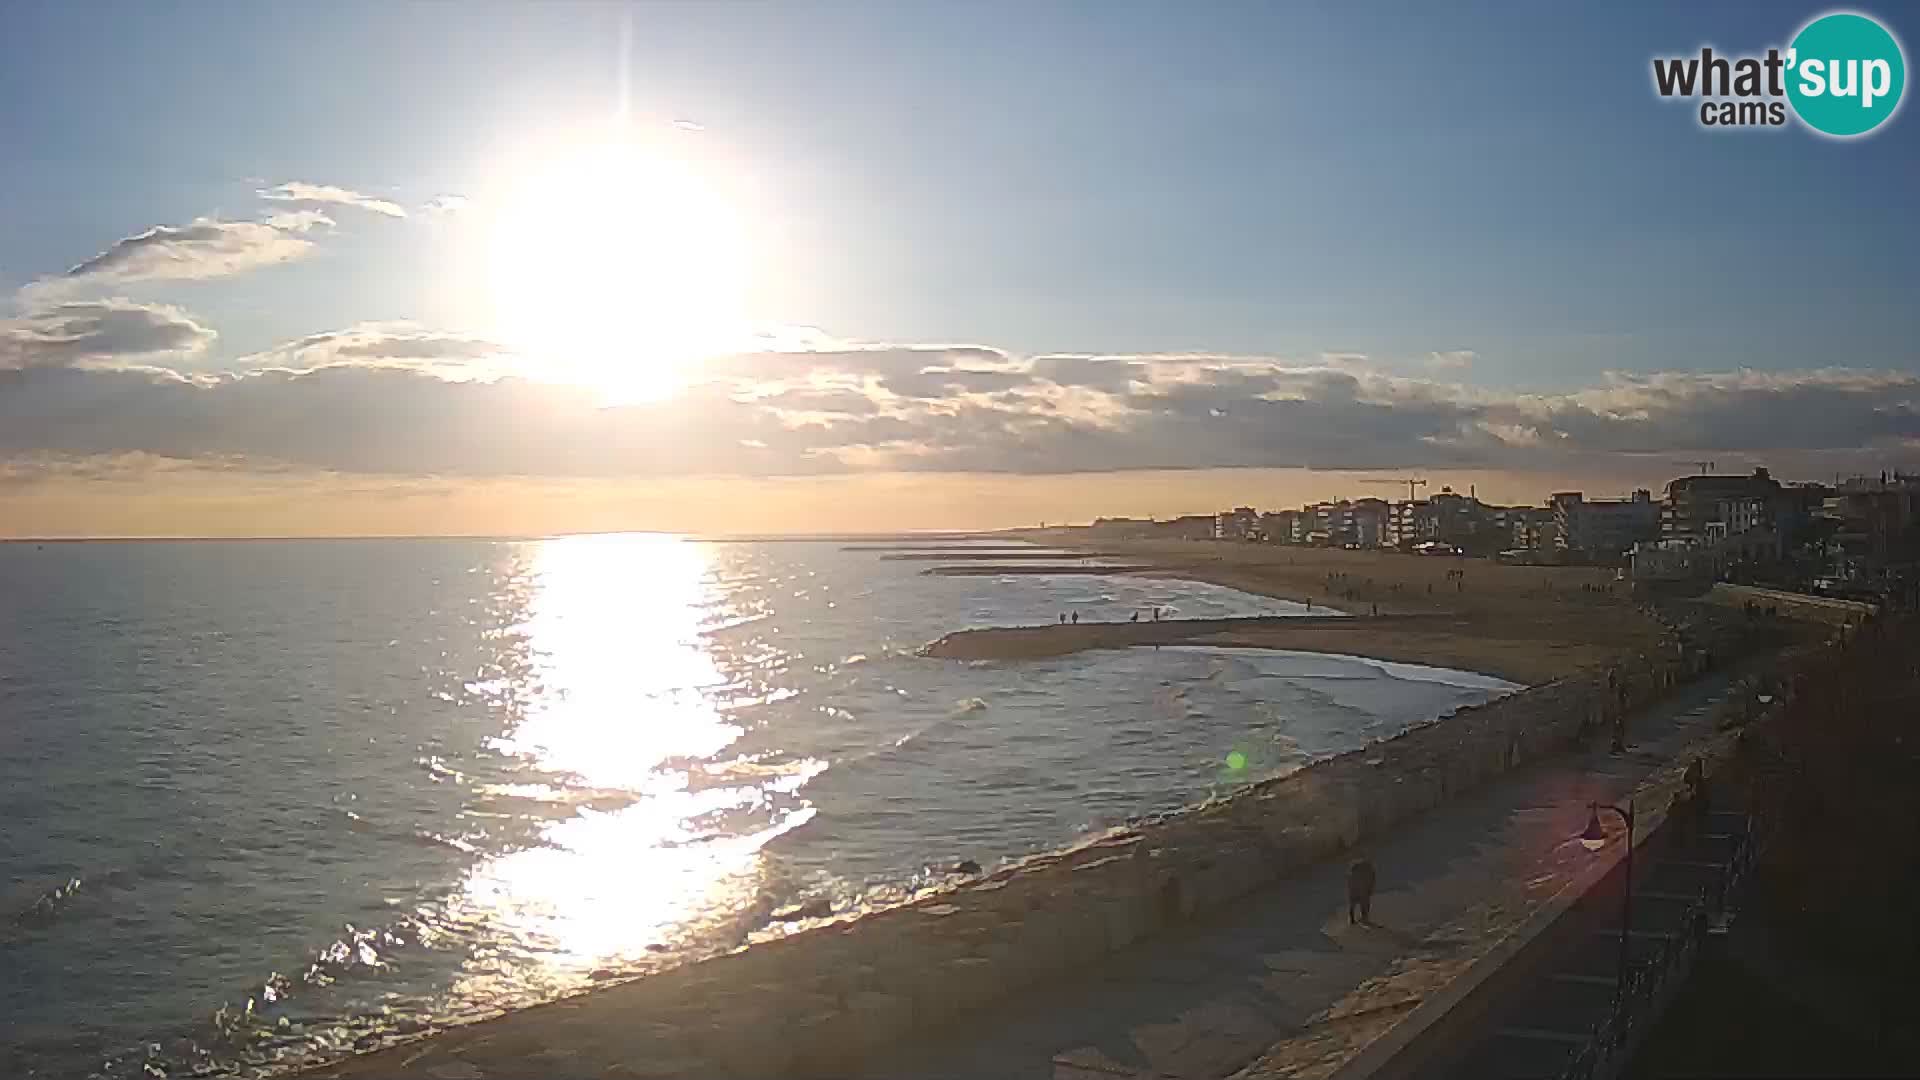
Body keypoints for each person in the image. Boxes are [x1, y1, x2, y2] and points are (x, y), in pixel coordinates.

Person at [1347, 858, 1377, 925]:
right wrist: (1370, 889)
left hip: (1355, 889)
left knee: (1353, 902)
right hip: (1363, 889)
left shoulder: (1353, 872)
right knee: (1364, 903)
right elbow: (1372, 880)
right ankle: (1364, 918)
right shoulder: (1369, 869)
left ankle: (1353, 918)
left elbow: (1349, 881)